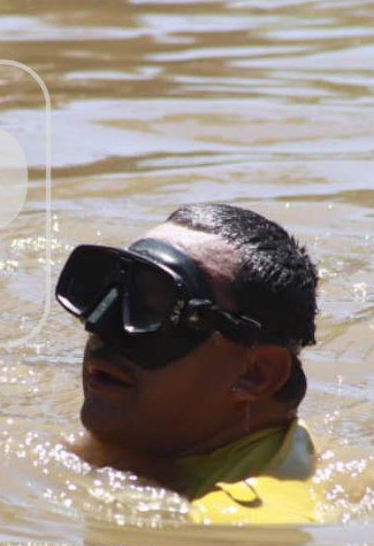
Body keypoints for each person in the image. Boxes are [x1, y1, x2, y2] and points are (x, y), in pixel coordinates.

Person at [55, 203, 321, 525]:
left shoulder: (235, 526)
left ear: (254, 374)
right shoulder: (221, 440)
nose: (100, 325)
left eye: (154, 306)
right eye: (109, 292)